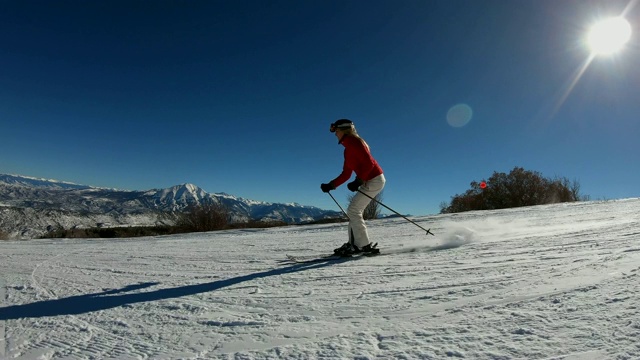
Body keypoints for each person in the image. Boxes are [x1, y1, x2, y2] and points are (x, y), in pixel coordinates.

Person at [321, 119, 386, 256]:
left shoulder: (356, 143)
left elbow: (369, 163)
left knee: (354, 210)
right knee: (353, 211)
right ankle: (355, 244)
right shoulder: (348, 149)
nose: (335, 134)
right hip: (368, 180)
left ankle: (362, 246)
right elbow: (346, 173)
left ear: (344, 130)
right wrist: (331, 185)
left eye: (336, 131)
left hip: (374, 179)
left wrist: (359, 180)